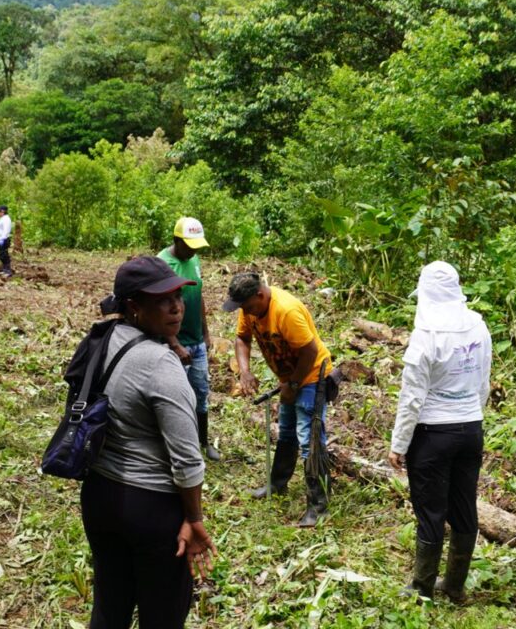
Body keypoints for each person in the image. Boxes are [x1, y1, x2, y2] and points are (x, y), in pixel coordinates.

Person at [84, 256, 216, 629]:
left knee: (110, 606)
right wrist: (194, 519)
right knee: (163, 615)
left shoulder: (102, 339)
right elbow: (187, 461)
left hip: (99, 496)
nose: (177, 307)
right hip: (151, 509)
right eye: (162, 300)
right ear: (133, 306)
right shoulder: (159, 363)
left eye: (178, 296)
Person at [388, 262, 491, 603]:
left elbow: (412, 397)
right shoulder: (478, 326)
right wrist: (473, 417)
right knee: (464, 507)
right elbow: (483, 381)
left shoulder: (426, 335)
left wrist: (398, 444)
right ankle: (455, 586)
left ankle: (422, 588)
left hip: (433, 434)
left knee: (430, 510)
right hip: (470, 430)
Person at [227, 271, 335, 527]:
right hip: (288, 378)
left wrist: (294, 384)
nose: (247, 312)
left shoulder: (286, 311)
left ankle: (319, 505)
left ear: (260, 295)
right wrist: (245, 372)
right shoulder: (250, 307)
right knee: (286, 431)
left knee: (309, 438)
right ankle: (277, 483)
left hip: (310, 377)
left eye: (249, 306)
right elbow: (242, 338)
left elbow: (310, 351)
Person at [157, 217, 217, 461]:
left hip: (196, 341)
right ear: (176, 240)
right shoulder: (162, 264)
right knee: (177, 396)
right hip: (173, 343)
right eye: (189, 244)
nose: (193, 250)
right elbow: (157, 309)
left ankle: (203, 443)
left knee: (201, 393)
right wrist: (175, 343)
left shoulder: (193, 259)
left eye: (196, 245)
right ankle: (179, 448)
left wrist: (206, 331)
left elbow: (198, 295)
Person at [0, 205, 13, 276]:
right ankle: (5, 270)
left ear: (3, 211)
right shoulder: (2, 218)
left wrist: (2, 238)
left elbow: (6, 230)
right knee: (2, 255)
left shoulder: (6, 219)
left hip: (3, 240)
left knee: (4, 255)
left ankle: (8, 271)